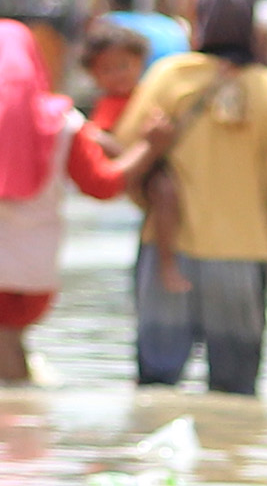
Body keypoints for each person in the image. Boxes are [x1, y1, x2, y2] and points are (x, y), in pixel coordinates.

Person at [0, 20, 171, 384]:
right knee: (13, 370)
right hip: (35, 279)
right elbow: (104, 185)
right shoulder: (64, 122)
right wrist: (148, 148)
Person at [121, 0, 267, 392]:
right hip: (242, 258)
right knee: (235, 395)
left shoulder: (169, 76)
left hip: (167, 253)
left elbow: (126, 155)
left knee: (155, 389)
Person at [73, 17, 192, 299]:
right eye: (107, 70)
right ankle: (167, 264)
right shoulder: (107, 106)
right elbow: (100, 141)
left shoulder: (147, 95)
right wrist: (135, 150)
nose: (118, 75)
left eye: (124, 66)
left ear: (140, 63)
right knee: (164, 192)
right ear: (94, 75)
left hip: (153, 162)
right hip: (140, 168)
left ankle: (168, 261)